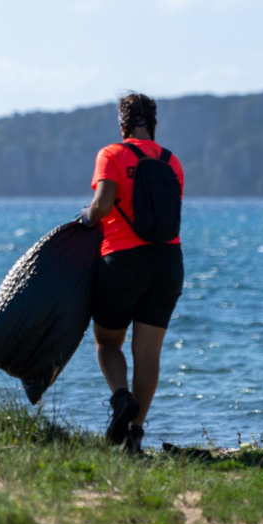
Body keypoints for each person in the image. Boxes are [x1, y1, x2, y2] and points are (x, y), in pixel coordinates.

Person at [77, 93, 185, 453]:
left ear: (122, 123)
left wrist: (86, 215)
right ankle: (134, 436)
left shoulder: (111, 154)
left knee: (108, 342)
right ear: (153, 123)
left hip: (123, 261)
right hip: (168, 262)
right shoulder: (172, 162)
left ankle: (121, 397)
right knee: (148, 352)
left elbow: (103, 204)